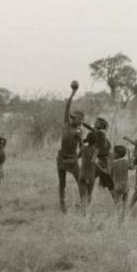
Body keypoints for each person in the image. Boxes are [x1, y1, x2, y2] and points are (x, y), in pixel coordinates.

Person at [57, 81, 85, 213]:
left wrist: (76, 157)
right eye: (72, 117)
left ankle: (84, 205)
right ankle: (62, 206)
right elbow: (67, 106)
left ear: (80, 121)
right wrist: (73, 92)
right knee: (62, 183)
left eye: (75, 118)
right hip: (61, 158)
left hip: (72, 160)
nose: (72, 118)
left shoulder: (79, 131)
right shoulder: (66, 124)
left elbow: (82, 148)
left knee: (81, 182)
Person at [92, 117, 114, 194]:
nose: (95, 123)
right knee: (108, 184)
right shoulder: (101, 134)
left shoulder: (99, 134)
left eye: (97, 122)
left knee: (110, 183)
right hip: (104, 160)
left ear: (101, 125)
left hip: (104, 161)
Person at [110, 145, 132, 221]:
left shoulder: (113, 163)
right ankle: (123, 218)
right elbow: (132, 167)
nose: (112, 154)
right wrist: (129, 156)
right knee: (124, 204)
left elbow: (110, 174)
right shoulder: (126, 162)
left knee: (117, 204)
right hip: (126, 185)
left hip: (118, 185)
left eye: (114, 152)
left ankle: (118, 220)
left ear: (117, 154)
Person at [80, 132, 98, 206]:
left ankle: (83, 211)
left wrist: (82, 141)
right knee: (89, 194)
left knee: (83, 195)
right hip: (91, 175)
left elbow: (77, 156)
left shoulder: (83, 148)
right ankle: (87, 211)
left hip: (82, 174)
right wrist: (99, 166)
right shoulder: (96, 150)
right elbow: (93, 161)